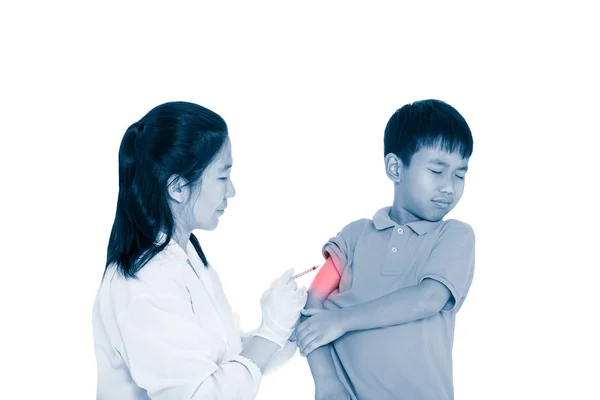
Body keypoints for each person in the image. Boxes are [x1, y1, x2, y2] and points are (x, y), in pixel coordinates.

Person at [92, 101, 307, 399]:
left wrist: (285, 329)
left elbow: (223, 365)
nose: (231, 191)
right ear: (178, 188)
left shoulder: (186, 256)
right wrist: (271, 332)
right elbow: (204, 394)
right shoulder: (144, 284)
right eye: (222, 177)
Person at [295, 99, 476, 400]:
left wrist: (342, 320)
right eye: (437, 171)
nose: (449, 187)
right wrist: (326, 382)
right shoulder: (354, 236)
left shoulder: (454, 235)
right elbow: (312, 305)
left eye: (460, 174)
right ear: (395, 167)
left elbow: (428, 298)